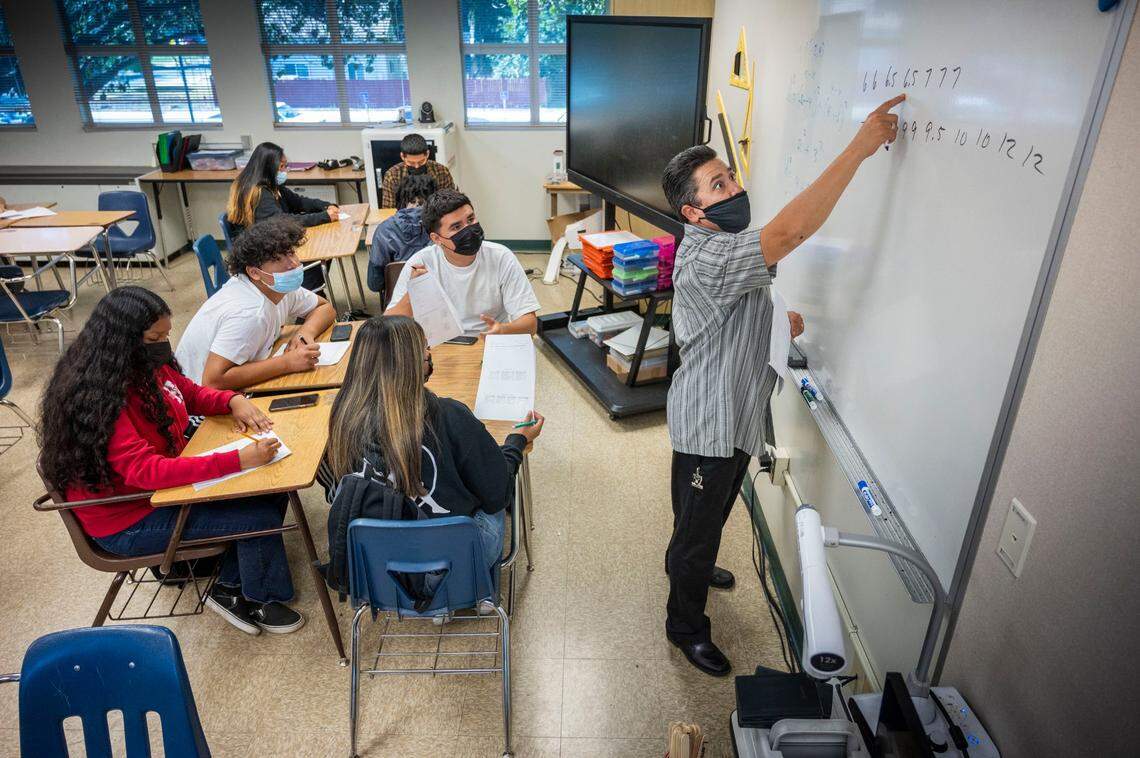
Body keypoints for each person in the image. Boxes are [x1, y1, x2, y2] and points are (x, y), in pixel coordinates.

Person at [660, 94, 906, 676]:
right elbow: (791, 231)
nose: (734, 190)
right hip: (710, 422)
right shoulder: (706, 256)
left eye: (730, 178)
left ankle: (690, 562)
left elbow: (743, 303)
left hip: (737, 411)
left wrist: (778, 320)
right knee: (697, 526)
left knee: (709, 512)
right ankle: (684, 623)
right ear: (694, 212)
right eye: (718, 186)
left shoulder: (722, 247)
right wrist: (860, 147)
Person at [37, 286, 305, 635]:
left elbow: (187, 393)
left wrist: (231, 401)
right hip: (129, 519)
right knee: (258, 516)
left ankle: (231, 576)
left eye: (166, 334)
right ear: (123, 341)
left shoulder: (145, 366)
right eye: (155, 337)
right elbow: (146, 471)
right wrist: (235, 461)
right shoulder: (100, 396)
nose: (164, 343)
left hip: (157, 495)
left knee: (273, 484)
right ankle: (245, 595)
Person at [324, 315, 544, 610]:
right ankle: (470, 589)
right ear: (413, 365)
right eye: (425, 348)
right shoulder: (449, 415)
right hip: (456, 561)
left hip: (379, 569)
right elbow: (497, 495)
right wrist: (516, 441)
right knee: (492, 502)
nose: (430, 354)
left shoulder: (343, 419)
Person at [175, 215, 337, 390]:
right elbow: (213, 381)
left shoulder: (276, 286)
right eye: (277, 259)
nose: (292, 264)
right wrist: (287, 363)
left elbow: (324, 308)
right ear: (254, 273)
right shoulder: (250, 312)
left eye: (290, 253)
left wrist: (304, 333)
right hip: (196, 405)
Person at [385, 189, 540, 336]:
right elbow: (388, 326)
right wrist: (414, 293)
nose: (469, 230)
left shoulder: (501, 257)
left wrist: (503, 330)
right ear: (436, 239)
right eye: (456, 227)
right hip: (442, 346)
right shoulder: (420, 263)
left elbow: (531, 324)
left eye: (471, 219)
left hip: (491, 341)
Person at [225, 141, 340, 291]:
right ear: (268, 168)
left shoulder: (270, 185)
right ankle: (310, 296)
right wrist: (324, 216)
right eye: (281, 167)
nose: (285, 170)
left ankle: (313, 292)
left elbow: (298, 202)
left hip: (269, 242)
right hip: (261, 253)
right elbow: (283, 221)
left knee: (323, 249)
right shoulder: (258, 193)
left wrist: (325, 206)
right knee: (321, 251)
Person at [368, 173, 436, 297]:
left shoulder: (384, 230)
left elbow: (374, 284)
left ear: (400, 201)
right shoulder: (443, 226)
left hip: (398, 300)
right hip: (439, 297)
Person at [380, 133, 456, 208]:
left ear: (427, 154)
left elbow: (451, 203)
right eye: (411, 163)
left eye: (421, 162)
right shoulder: (392, 175)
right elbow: (388, 210)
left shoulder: (441, 172)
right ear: (402, 156)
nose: (416, 167)